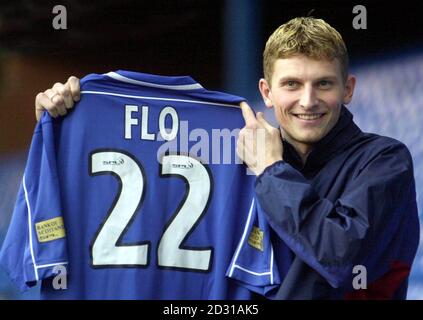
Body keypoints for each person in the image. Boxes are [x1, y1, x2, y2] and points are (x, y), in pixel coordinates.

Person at [33, 17, 419, 299]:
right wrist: (61, 128)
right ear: (266, 91)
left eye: (323, 84)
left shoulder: (384, 160)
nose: (307, 100)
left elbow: (340, 255)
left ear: (347, 89)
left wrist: (270, 170)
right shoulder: (231, 158)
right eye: (291, 84)